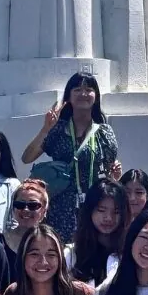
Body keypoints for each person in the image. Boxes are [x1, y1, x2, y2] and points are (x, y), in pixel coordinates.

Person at [21, 71, 120, 240]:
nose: (83, 94)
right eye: (77, 89)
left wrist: (115, 176)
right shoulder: (58, 128)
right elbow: (27, 158)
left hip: (92, 206)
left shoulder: (104, 132)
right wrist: (46, 128)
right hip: (60, 207)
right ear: (68, 96)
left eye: (88, 89)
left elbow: (110, 171)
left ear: (95, 96)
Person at [68, 177, 126, 285]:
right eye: (101, 210)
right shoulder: (71, 254)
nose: (109, 218)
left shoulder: (128, 253)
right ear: (89, 211)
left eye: (116, 212)